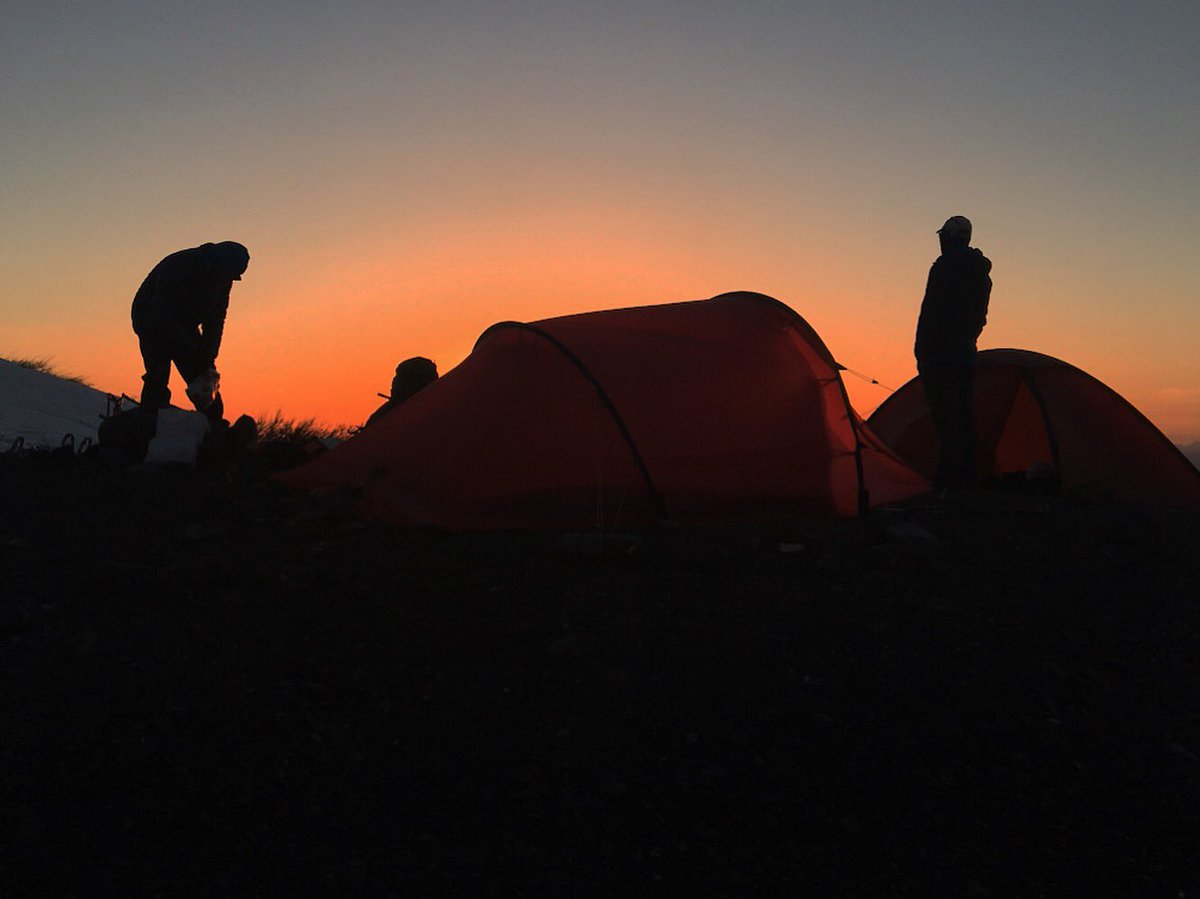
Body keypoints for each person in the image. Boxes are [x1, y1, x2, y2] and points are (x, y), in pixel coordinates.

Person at [130, 241, 249, 424]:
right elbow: (163, 312)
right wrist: (189, 350)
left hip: (184, 324)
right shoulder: (180, 265)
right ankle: (149, 428)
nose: (230, 279)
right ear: (220, 264)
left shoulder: (223, 279)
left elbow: (216, 318)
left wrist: (208, 356)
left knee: (205, 382)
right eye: (230, 273)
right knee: (158, 378)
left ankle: (212, 430)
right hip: (151, 321)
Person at [914, 215, 992, 488]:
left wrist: (925, 350)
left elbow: (933, 314)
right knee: (963, 417)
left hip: (938, 356)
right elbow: (977, 317)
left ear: (949, 238)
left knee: (946, 418)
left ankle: (950, 479)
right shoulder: (981, 274)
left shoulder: (944, 268)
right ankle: (967, 477)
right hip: (964, 354)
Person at [364, 357, 438, 428]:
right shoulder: (380, 417)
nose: (394, 381)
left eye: (401, 377)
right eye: (397, 376)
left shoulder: (431, 413)